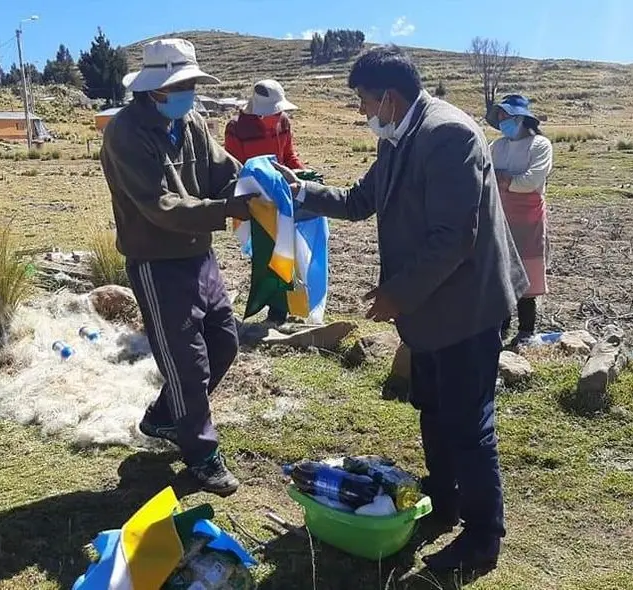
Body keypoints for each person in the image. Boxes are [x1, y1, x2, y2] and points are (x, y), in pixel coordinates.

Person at [273, 45, 529, 574]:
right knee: (433, 408)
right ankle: (445, 499)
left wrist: (398, 295)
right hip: (430, 308)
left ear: (388, 97)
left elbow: (453, 238)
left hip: (467, 306)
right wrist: (303, 192)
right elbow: (360, 199)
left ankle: (483, 538)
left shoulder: (447, 135)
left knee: (469, 424)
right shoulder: (398, 136)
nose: (363, 112)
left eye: (364, 102)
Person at [99, 38, 255, 496]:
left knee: (223, 344)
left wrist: (261, 179)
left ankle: (165, 417)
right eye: (182, 85)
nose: (189, 92)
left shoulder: (190, 121)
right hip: (156, 260)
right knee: (186, 364)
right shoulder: (125, 133)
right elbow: (159, 206)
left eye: (191, 83)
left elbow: (223, 170)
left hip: (198, 255)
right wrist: (227, 210)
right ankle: (203, 456)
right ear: (154, 89)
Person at [224, 79, 306, 325]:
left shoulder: (283, 122)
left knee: (289, 251)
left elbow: (288, 155)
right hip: (258, 204)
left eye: (279, 111)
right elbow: (235, 169)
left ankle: (288, 306)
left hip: (285, 197)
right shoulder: (236, 129)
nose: (277, 116)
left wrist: (302, 174)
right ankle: (273, 306)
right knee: (265, 256)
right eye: (273, 112)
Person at [487, 95, 553, 347]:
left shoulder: (540, 145)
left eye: (506, 116)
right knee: (501, 272)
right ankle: (499, 328)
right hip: (500, 216)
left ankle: (526, 331)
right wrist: (503, 180)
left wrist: (505, 180)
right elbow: (487, 175)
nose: (502, 121)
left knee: (526, 275)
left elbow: (531, 181)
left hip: (528, 219)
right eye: (500, 117)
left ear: (521, 118)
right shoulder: (497, 146)